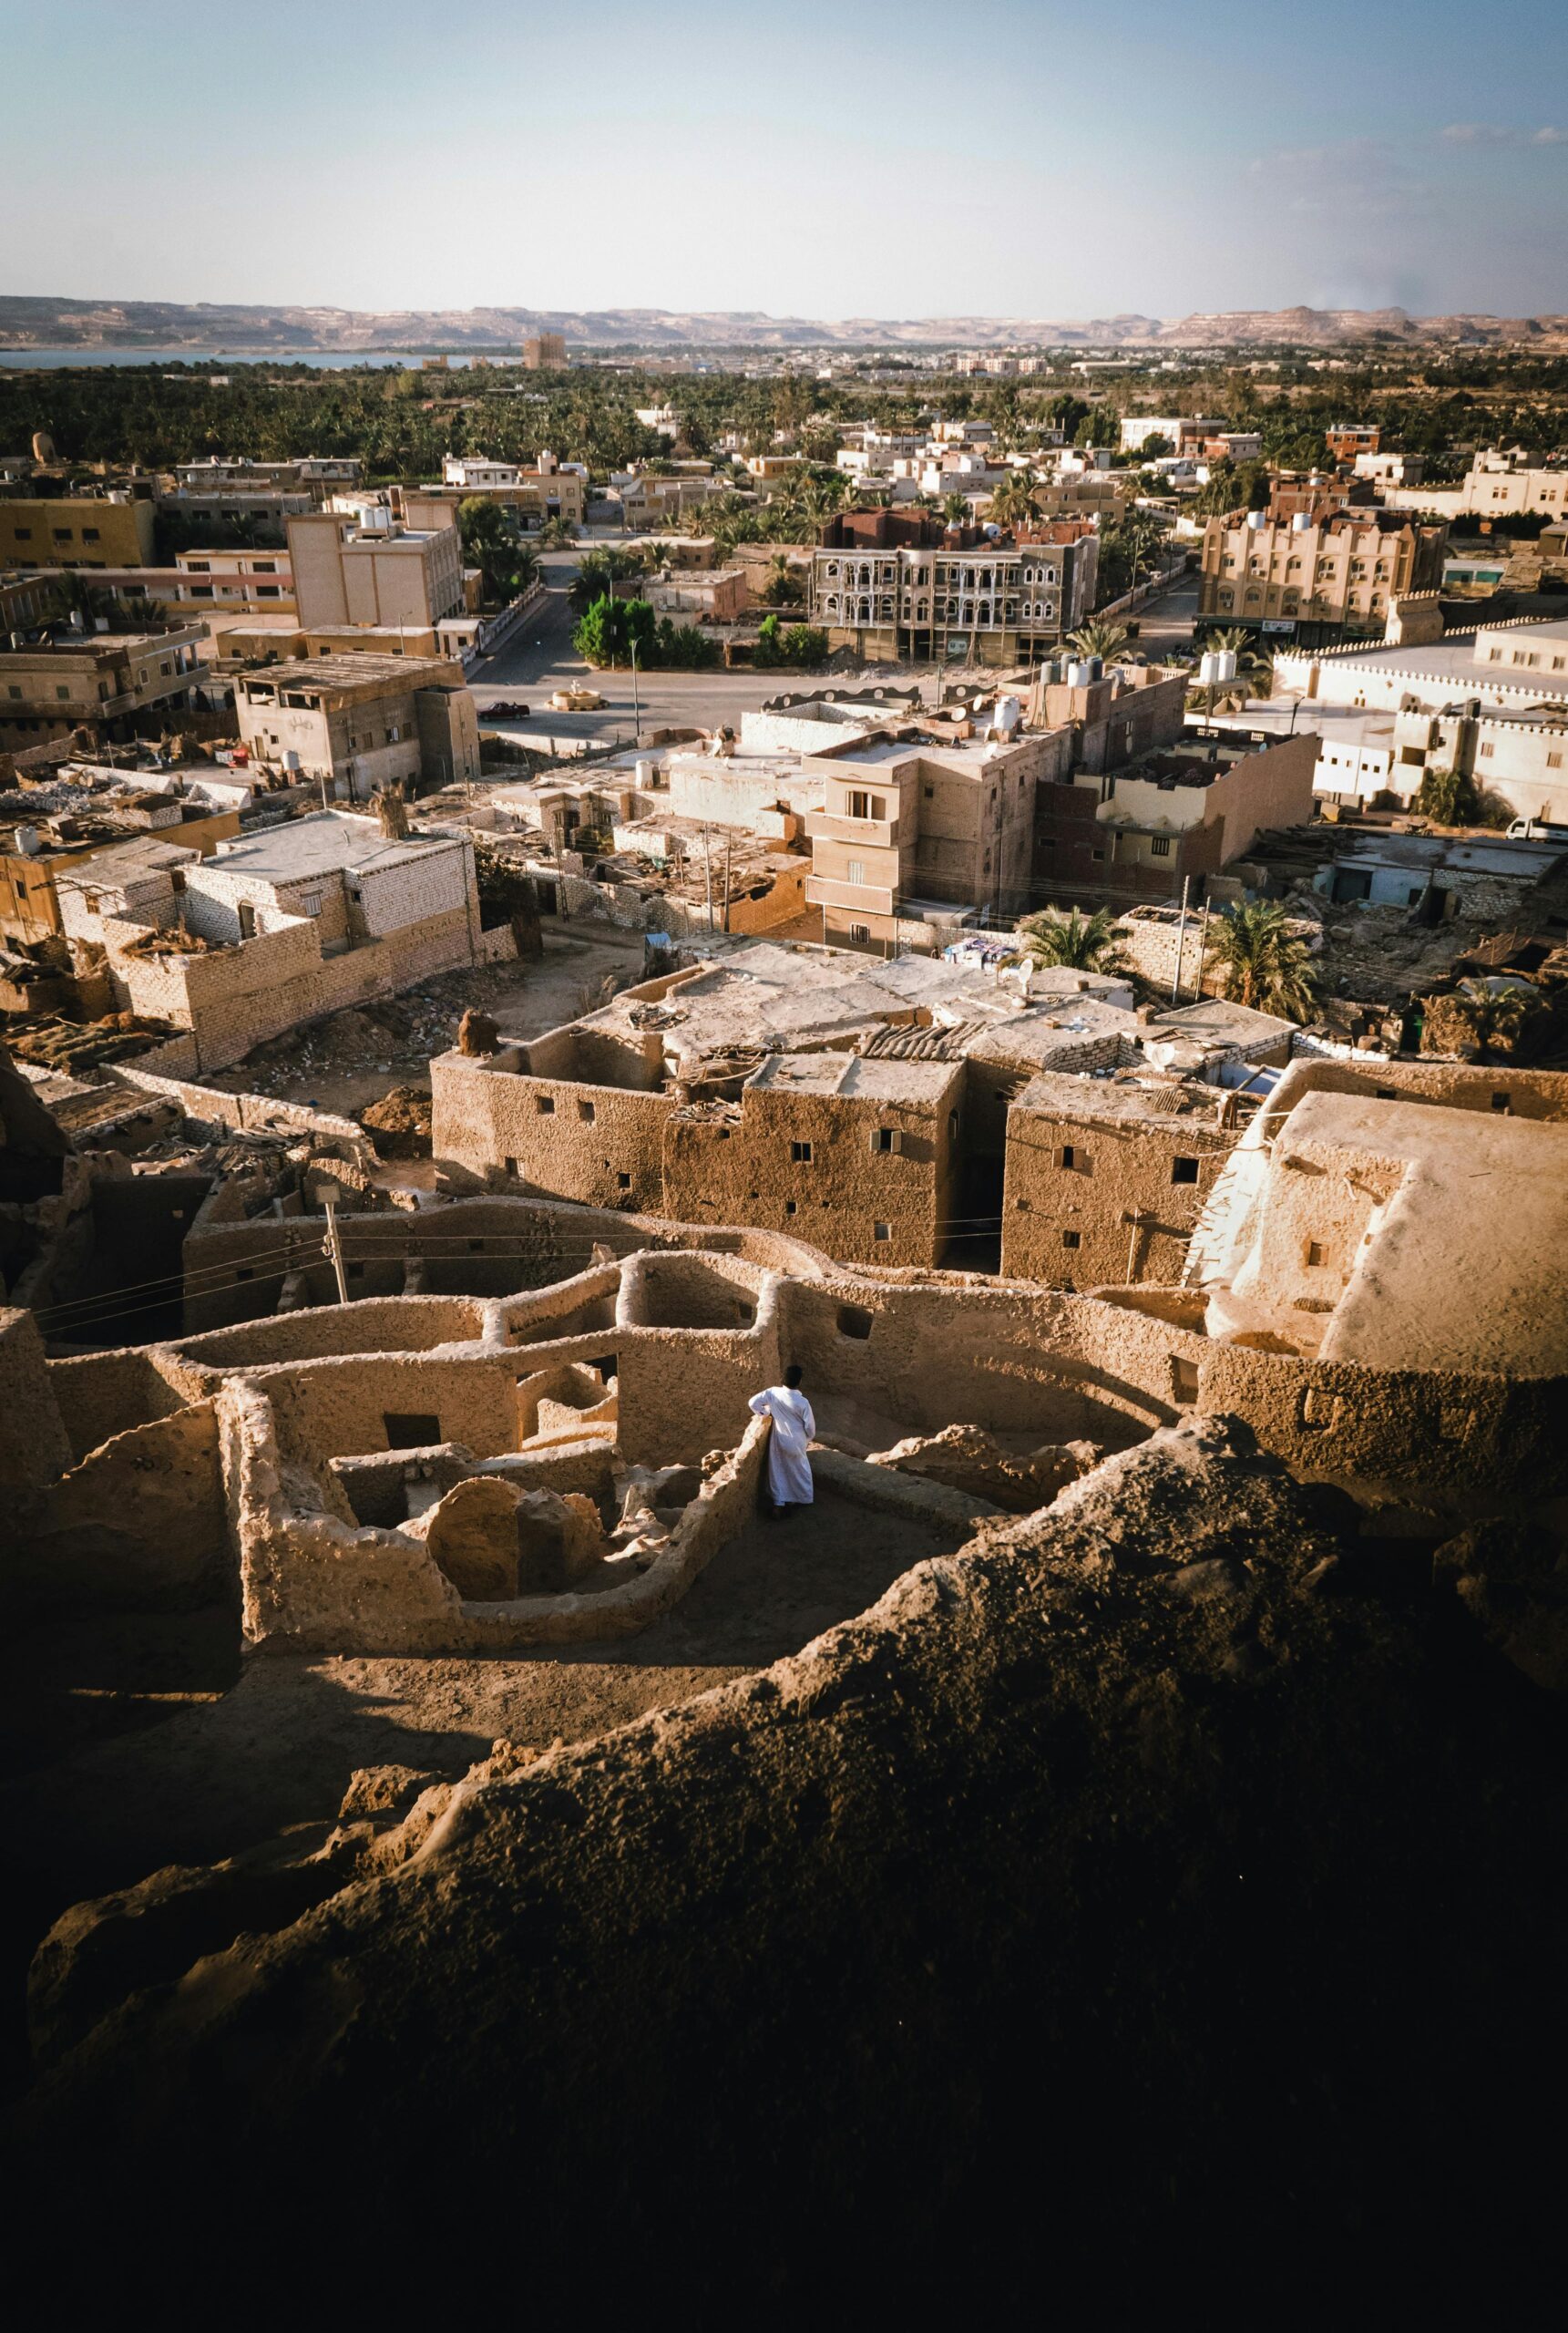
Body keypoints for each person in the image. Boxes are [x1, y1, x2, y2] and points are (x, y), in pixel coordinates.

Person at [748, 1364, 815, 1516]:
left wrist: (765, 1413)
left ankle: (779, 1504)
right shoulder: (803, 1402)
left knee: (778, 1470)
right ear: (799, 1382)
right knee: (800, 1470)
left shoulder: (773, 1393)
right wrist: (807, 1439)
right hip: (797, 1440)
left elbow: (752, 1403)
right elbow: (810, 1427)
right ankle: (802, 1498)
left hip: (779, 1438)